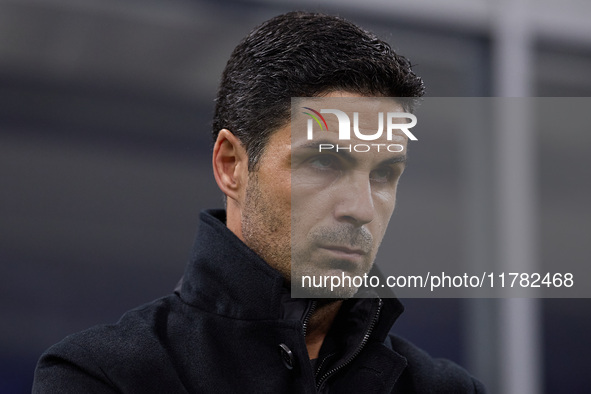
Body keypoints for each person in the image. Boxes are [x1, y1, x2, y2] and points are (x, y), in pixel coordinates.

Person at [33, 11, 485, 393]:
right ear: (231, 165)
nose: (361, 208)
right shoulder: (103, 377)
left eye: (385, 173)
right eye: (324, 164)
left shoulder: (446, 389)